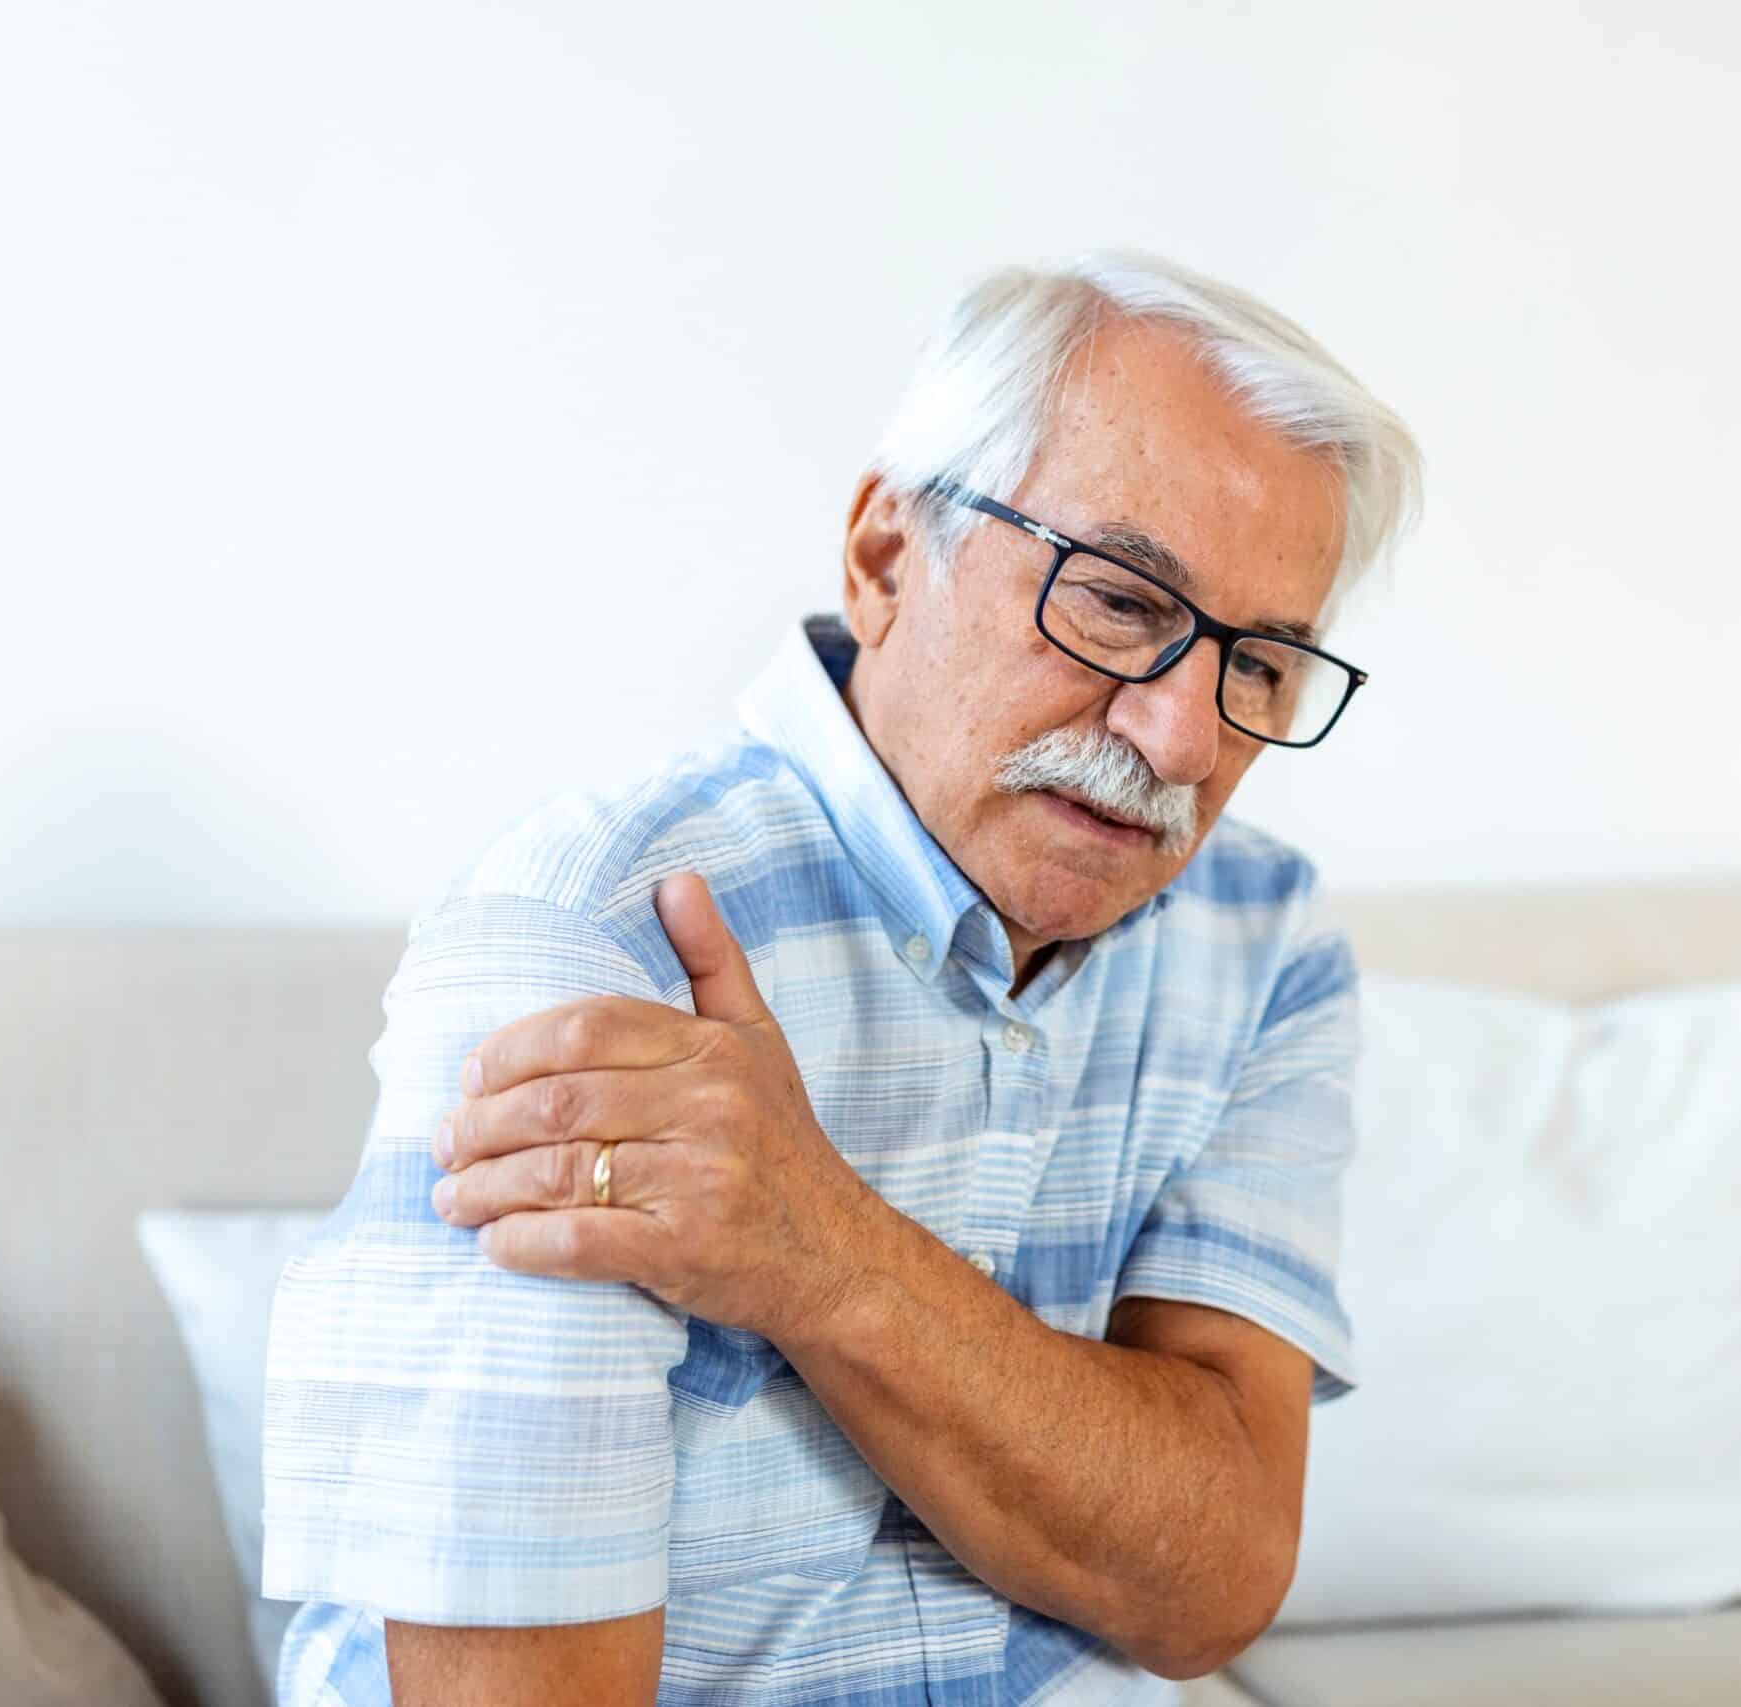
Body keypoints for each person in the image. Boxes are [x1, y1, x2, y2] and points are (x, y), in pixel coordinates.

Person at [261, 247, 1423, 1706]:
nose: (1185, 738)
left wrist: (817, 1249)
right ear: (885, 559)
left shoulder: (1264, 946)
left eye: (1261, 665)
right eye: (1121, 601)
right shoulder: (593, 932)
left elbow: (1209, 1588)